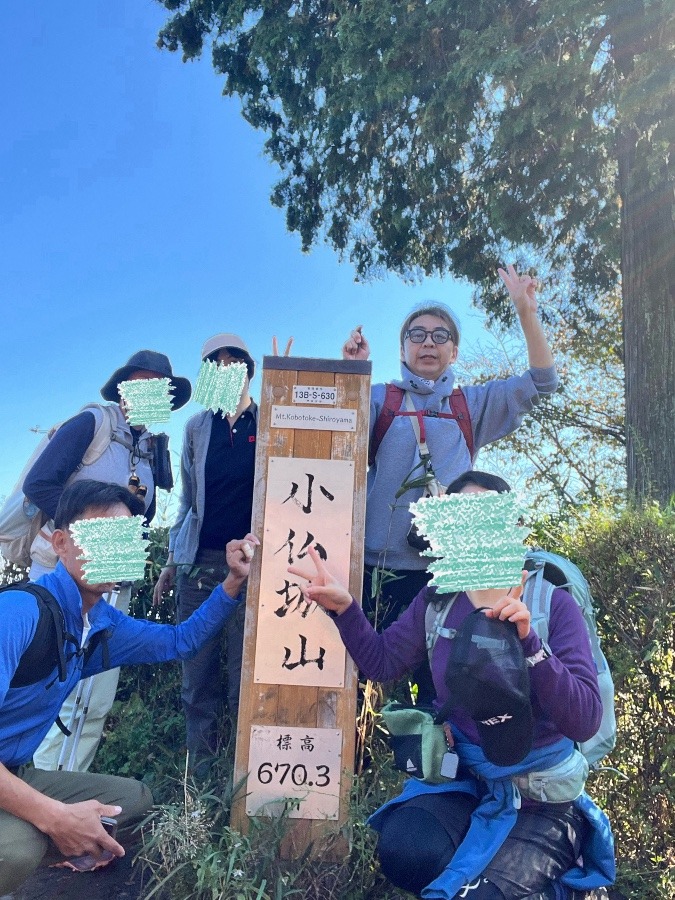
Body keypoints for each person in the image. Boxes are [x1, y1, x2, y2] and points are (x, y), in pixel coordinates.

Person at [289, 471, 614, 899]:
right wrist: (346, 608)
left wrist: (530, 645)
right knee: (406, 850)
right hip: (467, 776)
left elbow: (585, 720)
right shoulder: (439, 598)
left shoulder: (550, 603)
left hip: (543, 793)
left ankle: (552, 880)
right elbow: (383, 663)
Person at [0, 479, 257, 896]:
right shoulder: (17, 613)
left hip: (15, 772)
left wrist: (231, 582)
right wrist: (56, 818)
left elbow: (180, 641)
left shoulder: (100, 623)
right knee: (18, 847)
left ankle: (42, 836)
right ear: (61, 543)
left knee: (132, 801)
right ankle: (28, 847)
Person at [342, 266, 558, 704]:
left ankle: (438, 766)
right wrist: (352, 377)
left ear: (454, 350)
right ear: (402, 348)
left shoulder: (471, 404)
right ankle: (358, 768)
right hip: (374, 566)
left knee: (442, 685)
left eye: (440, 336)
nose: (428, 343)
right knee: (358, 678)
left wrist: (525, 312)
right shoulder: (381, 399)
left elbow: (543, 381)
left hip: (447, 572)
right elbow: (332, 441)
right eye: (417, 334)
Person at [23, 350, 191, 772]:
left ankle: (71, 790)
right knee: (52, 687)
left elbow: (143, 517)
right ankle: (35, 792)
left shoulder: (151, 450)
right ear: (124, 389)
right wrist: (94, 536)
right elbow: (38, 483)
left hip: (114, 583)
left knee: (94, 697)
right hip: (60, 577)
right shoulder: (91, 425)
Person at [153, 333, 258, 765]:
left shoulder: (269, 421)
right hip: (200, 563)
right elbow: (187, 503)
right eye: (215, 366)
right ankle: (201, 780)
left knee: (243, 682)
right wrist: (173, 561)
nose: (226, 371)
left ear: (249, 372)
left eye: (234, 363)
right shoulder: (196, 428)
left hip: (254, 568)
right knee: (197, 679)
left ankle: (241, 784)